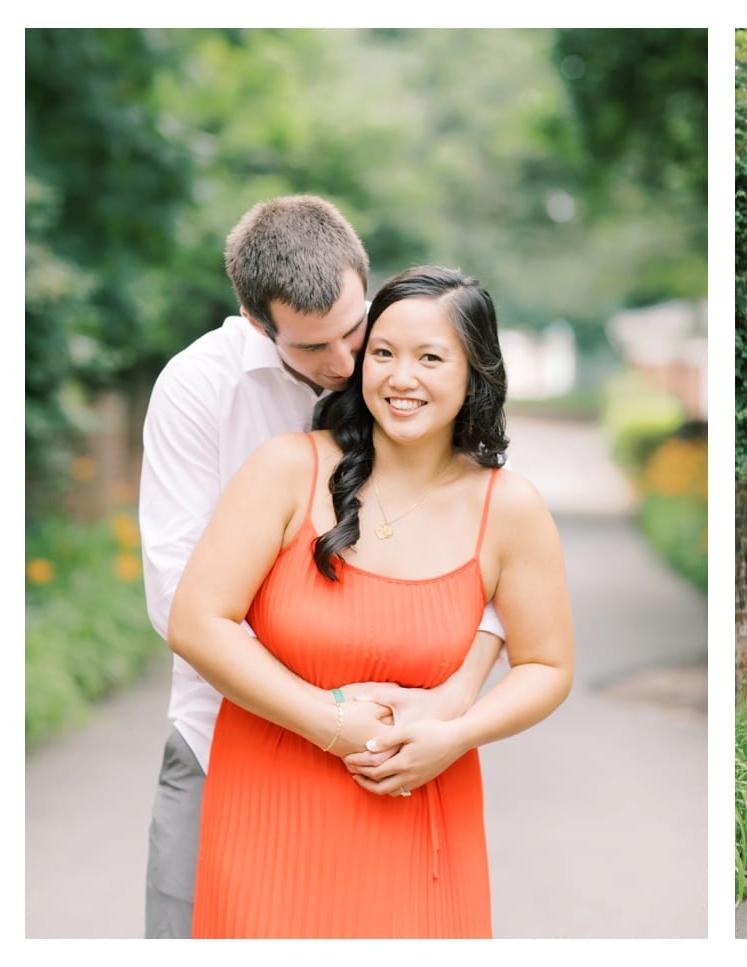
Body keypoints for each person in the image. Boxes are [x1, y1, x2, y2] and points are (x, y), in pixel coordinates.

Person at [167, 264, 574, 937]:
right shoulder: (287, 468)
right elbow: (196, 621)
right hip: (268, 806)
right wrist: (330, 722)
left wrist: (453, 734)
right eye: (382, 353)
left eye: (430, 357)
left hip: (416, 805)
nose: (400, 377)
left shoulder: (510, 509)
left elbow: (547, 666)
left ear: (476, 372)